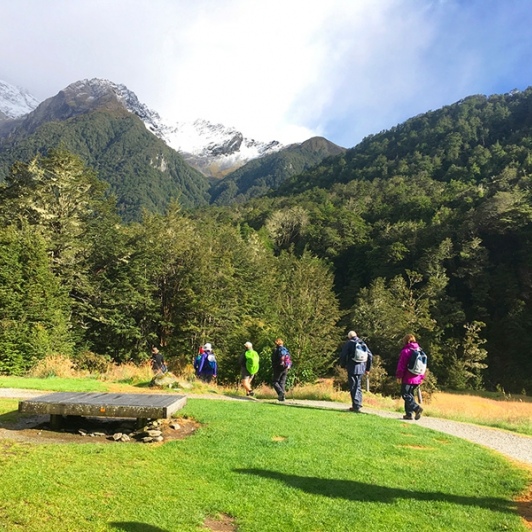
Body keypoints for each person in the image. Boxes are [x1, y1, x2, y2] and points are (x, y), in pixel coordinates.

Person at [339, 330, 372, 413]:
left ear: (349, 337)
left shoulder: (349, 343)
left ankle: (356, 406)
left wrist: (343, 365)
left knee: (353, 386)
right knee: (358, 386)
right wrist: (367, 368)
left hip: (352, 367)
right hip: (361, 368)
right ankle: (358, 403)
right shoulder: (362, 343)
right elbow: (370, 355)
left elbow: (343, 355)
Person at [396, 333, 425, 420]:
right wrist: (422, 377)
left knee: (405, 394)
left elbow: (401, 365)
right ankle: (408, 414)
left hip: (408, 377)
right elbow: (423, 365)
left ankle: (417, 408)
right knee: (410, 395)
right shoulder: (420, 351)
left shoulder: (406, 351)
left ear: (405, 341)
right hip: (417, 377)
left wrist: (399, 376)